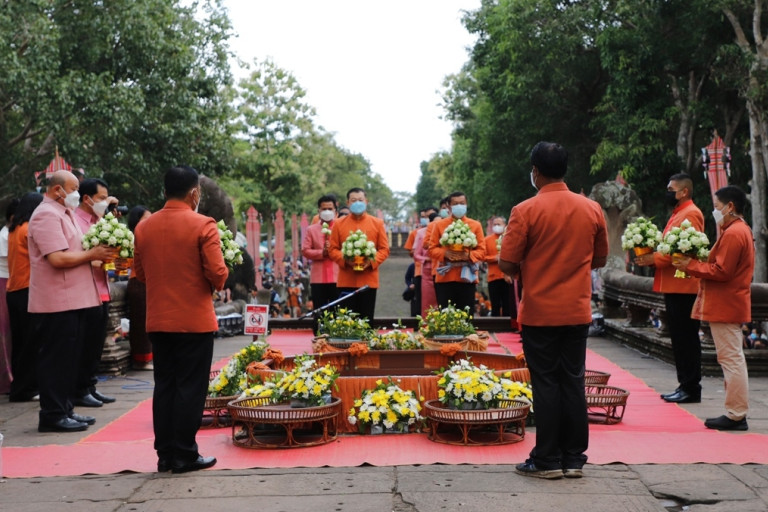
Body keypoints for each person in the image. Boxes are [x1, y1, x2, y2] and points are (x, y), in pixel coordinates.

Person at [499, 141, 608, 479]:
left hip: (540, 311)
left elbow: (507, 262)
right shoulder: (591, 208)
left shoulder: (525, 210)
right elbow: (600, 259)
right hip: (576, 310)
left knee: (546, 382)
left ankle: (546, 459)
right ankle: (573, 457)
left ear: (536, 172)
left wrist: (532, 267)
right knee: (573, 380)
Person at [133, 165, 228, 473]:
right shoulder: (203, 224)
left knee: (165, 385)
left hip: (158, 319)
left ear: (165, 191)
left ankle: (165, 454)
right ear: (194, 193)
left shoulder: (144, 228)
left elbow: (140, 274)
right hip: (193, 320)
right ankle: (185, 453)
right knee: (190, 387)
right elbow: (217, 273)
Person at [28, 171, 116, 432]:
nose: (77, 194)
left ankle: (65, 409)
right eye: (74, 188)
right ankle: (52, 414)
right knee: (56, 361)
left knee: (69, 360)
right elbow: (57, 258)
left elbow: (78, 250)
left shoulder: (65, 214)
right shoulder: (46, 214)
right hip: (56, 301)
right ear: (58, 190)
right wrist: (93, 254)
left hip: (73, 300)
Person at [672, 185, 755, 431]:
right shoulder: (738, 230)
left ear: (730, 207)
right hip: (729, 302)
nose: (715, 211)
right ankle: (735, 411)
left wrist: (690, 265)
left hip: (726, 304)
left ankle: (736, 414)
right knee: (730, 359)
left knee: (731, 359)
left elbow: (722, 271)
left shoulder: (734, 233)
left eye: (717, 207)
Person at [635, 173, 705, 404]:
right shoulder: (679, 213)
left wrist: (653, 258)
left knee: (686, 339)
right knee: (679, 338)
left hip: (683, 284)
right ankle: (685, 385)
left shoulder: (690, 213)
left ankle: (690, 387)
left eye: (671, 189)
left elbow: (684, 250)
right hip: (675, 284)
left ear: (684, 192)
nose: (667, 193)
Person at [72, 178, 119, 407]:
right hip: (84, 291)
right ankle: (79, 390)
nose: (104, 202)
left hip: (102, 288)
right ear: (86, 198)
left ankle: (90, 386)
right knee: (84, 344)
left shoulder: (100, 221)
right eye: (101, 198)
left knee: (96, 344)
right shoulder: (74, 222)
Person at [328, 187, 390, 321]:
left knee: (366, 320)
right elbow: (332, 249)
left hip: (368, 280)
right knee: (346, 321)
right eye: (353, 200)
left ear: (366, 201)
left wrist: (371, 262)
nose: (357, 203)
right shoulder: (338, 223)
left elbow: (384, 249)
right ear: (348, 203)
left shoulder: (377, 223)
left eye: (360, 200)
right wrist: (346, 260)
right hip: (346, 279)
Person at [7, 193, 43, 402]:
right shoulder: (29, 230)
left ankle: (20, 387)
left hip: (14, 290)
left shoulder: (14, 229)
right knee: (31, 342)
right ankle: (26, 388)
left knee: (20, 343)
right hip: (28, 289)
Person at [427, 191, 486, 313]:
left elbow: (482, 251)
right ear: (449, 206)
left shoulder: (475, 225)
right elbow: (431, 249)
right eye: (455, 203)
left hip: (467, 278)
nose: (459, 206)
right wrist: (445, 254)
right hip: (445, 277)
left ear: (466, 204)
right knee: (446, 315)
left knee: (466, 316)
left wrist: (468, 255)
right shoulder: (439, 225)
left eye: (462, 203)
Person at [301, 195, 340, 319]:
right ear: (319, 211)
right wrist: (322, 253)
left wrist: (333, 252)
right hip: (318, 279)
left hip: (338, 278)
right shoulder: (311, 230)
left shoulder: (341, 228)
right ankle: (319, 331)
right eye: (324, 209)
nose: (327, 211)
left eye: (330, 208)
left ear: (335, 211)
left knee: (338, 312)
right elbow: (305, 251)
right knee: (319, 312)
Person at [126, 206, 153, 370]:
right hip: (138, 281)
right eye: (146, 219)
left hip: (148, 281)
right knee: (140, 323)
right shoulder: (133, 237)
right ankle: (141, 359)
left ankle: (148, 357)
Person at [0, 198, 19, 394]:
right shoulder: (6, 236)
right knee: (5, 334)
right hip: (4, 282)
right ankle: (7, 380)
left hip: (10, 282)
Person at [485, 215, 512, 316]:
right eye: (494, 224)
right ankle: (495, 324)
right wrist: (494, 258)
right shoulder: (487, 240)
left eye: (499, 224)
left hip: (508, 276)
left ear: (504, 225)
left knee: (507, 304)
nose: (496, 226)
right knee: (495, 305)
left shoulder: (509, 238)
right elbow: (482, 257)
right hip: (493, 277)